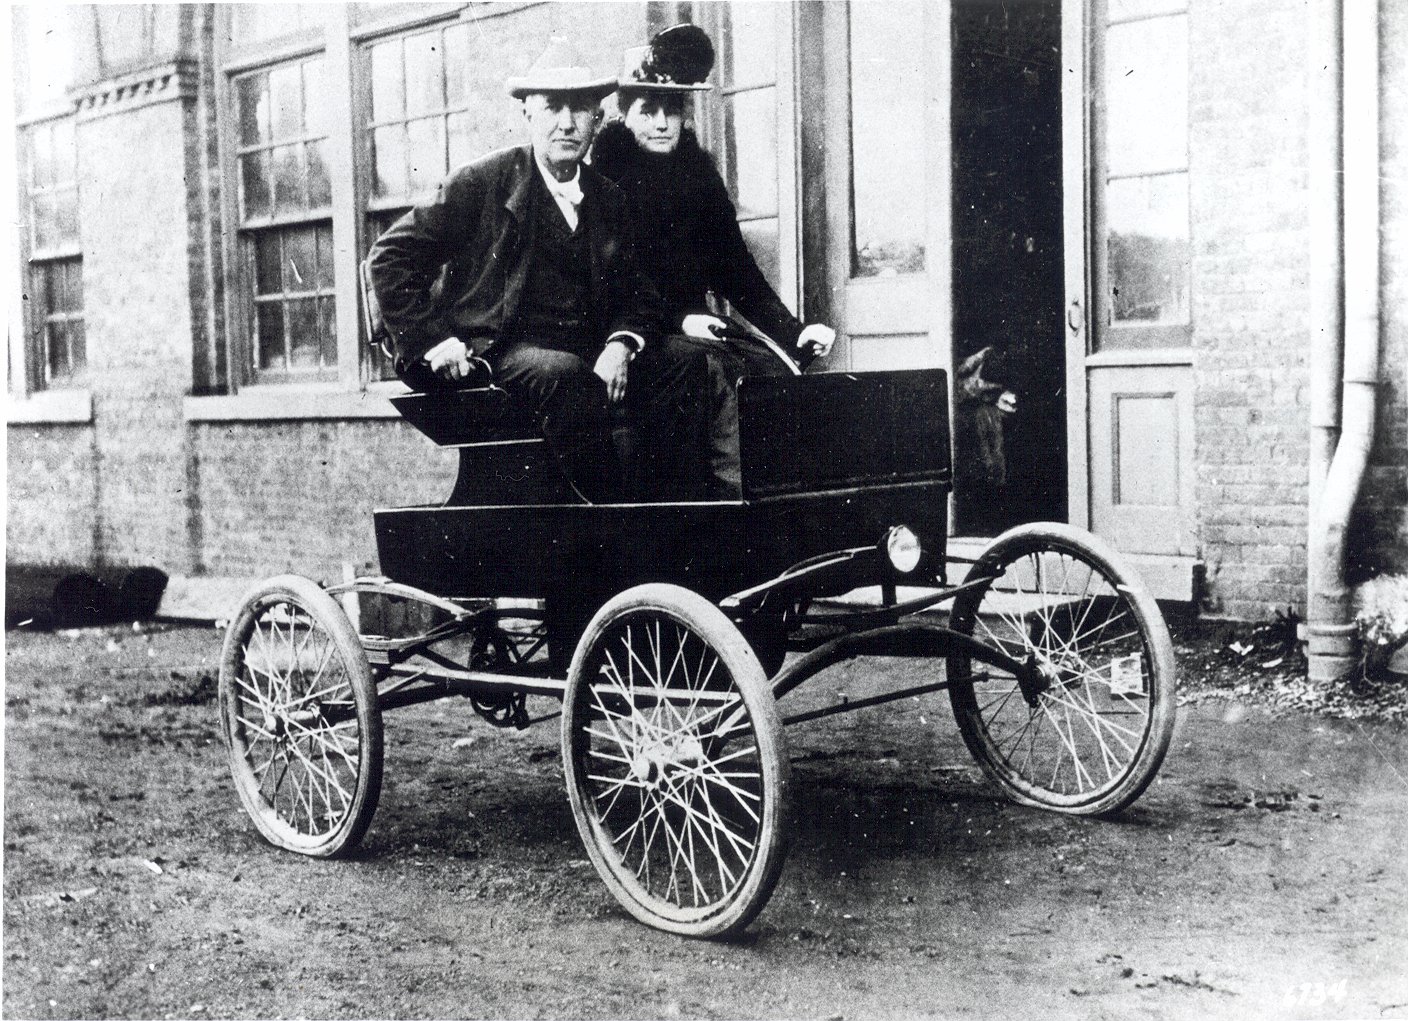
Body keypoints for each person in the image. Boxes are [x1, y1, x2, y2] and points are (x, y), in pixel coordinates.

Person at [368, 37, 712, 503]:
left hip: (585, 349)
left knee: (684, 361)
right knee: (565, 375)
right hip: (494, 349)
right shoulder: (481, 182)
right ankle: (610, 524)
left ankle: (676, 510)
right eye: (553, 107)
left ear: (597, 119)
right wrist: (432, 341)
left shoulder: (608, 197)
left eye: (580, 109)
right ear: (528, 114)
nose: (566, 123)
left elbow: (640, 294)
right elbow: (389, 257)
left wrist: (620, 344)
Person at [591, 25, 837, 494]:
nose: (662, 123)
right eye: (648, 111)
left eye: (673, 111)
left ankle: (790, 502)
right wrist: (681, 319)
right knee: (716, 373)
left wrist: (793, 330)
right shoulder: (605, 177)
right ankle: (734, 510)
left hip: (692, 328)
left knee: (773, 367)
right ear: (625, 115)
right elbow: (613, 281)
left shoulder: (697, 175)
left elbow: (736, 270)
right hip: (627, 335)